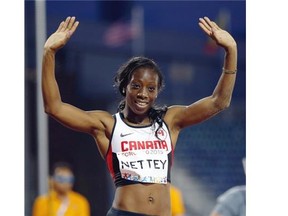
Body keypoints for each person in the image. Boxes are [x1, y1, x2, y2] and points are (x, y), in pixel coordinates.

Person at [42, 16, 237, 216]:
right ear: (124, 87)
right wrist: (49, 52)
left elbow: (219, 102)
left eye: (150, 88)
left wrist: (231, 50)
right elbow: (54, 107)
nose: (143, 93)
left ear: (157, 92)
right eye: (136, 86)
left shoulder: (170, 121)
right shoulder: (108, 124)